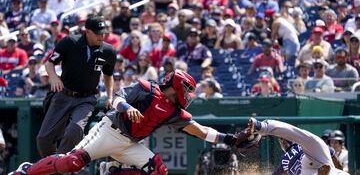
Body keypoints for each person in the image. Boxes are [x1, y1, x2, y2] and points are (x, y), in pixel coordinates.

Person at [11, 70, 251, 175]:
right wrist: (127, 108)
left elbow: (200, 130)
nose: (188, 96)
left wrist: (230, 139)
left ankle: (112, 170)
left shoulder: (175, 111)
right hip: (110, 131)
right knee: (71, 163)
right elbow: (116, 98)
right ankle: (26, 170)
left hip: (130, 143)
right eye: (187, 90)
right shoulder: (147, 89)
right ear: (176, 85)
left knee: (159, 170)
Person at [36, 15, 116, 158]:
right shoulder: (70, 41)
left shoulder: (109, 51)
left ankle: (60, 166)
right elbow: (49, 63)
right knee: (43, 139)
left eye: (104, 32)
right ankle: (53, 167)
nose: (102, 36)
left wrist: (110, 96)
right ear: (87, 32)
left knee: (74, 130)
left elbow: (108, 75)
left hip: (86, 98)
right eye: (98, 33)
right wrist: (54, 78)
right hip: (63, 95)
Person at [248, 118, 349, 175]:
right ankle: (262, 126)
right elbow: (331, 152)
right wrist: (338, 167)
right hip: (317, 157)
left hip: (307, 169)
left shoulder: (284, 159)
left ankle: (261, 126)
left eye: (281, 139)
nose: (282, 142)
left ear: (283, 141)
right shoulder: (301, 145)